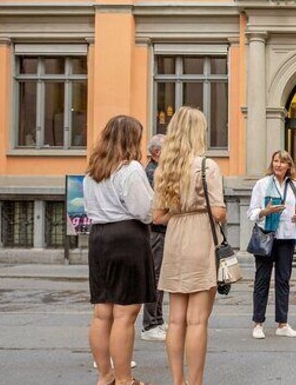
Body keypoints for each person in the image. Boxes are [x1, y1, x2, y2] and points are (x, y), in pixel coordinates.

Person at [153, 107, 227, 385]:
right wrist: (198, 210)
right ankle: (195, 383)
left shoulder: (165, 169)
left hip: (175, 240)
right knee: (197, 321)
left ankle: (177, 380)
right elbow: (218, 212)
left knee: (175, 320)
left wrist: (179, 211)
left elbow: (158, 217)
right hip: (200, 238)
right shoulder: (207, 166)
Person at [83, 115, 155, 385]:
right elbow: (144, 211)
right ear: (131, 139)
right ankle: (125, 379)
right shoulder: (131, 169)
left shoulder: (94, 169)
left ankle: (105, 376)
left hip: (99, 236)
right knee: (125, 314)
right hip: (126, 236)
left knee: (102, 311)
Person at [247, 150, 296, 339]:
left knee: (283, 281)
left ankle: (282, 324)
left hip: (287, 238)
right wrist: (265, 212)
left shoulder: (294, 187)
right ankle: (258, 323)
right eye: (275, 161)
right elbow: (251, 212)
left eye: (282, 162)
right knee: (262, 280)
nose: (278, 165)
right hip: (266, 237)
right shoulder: (262, 184)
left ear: (289, 166)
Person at [141, 134, 167, 342]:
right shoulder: (152, 172)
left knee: (160, 277)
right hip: (156, 232)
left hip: (160, 231)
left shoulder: (157, 171)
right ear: (157, 152)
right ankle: (150, 324)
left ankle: (157, 319)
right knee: (155, 276)